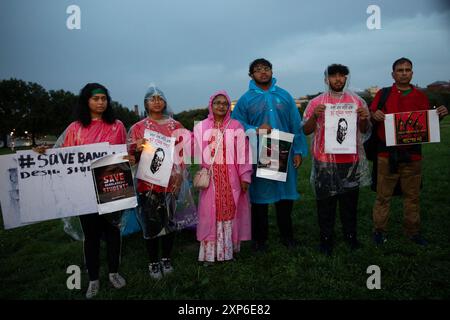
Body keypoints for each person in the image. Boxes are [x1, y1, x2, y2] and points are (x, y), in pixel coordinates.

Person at [52, 83, 127, 298]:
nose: (101, 102)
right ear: (87, 101)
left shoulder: (117, 126)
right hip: (84, 191)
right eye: (96, 99)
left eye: (104, 98)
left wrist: (133, 153)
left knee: (113, 232)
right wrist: (43, 153)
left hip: (112, 188)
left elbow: (124, 153)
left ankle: (113, 272)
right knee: (91, 235)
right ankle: (93, 279)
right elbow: (62, 157)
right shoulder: (75, 128)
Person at [232, 58, 308, 251]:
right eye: (258, 70)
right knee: (260, 198)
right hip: (260, 151)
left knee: (285, 197)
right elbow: (236, 124)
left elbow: (295, 124)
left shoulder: (284, 96)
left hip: (283, 149)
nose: (263, 72)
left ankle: (287, 236)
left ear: (272, 71)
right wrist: (255, 128)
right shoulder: (245, 99)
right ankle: (260, 239)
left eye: (266, 68)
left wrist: (298, 150)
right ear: (251, 75)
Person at [370, 57, 448, 246]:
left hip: (413, 155)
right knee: (383, 196)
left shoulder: (420, 96)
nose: (404, 73)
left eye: (407, 70)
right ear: (393, 74)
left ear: (412, 73)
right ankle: (379, 231)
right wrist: (375, 115)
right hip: (387, 154)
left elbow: (425, 125)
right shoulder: (383, 93)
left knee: (412, 196)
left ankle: (413, 231)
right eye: (400, 70)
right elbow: (371, 116)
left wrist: (439, 116)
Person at [303, 64, 371, 255]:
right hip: (323, 161)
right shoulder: (316, 102)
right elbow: (306, 130)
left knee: (350, 204)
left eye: (342, 76)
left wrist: (365, 118)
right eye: (333, 76)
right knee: (325, 203)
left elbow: (365, 131)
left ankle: (351, 237)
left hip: (350, 160)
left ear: (346, 78)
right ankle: (326, 239)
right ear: (326, 79)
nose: (338, 79)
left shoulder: (357, 101)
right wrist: (314, 117)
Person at [128, 86, 189, 279]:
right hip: (147, 183)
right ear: (146, 103)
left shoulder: (175, 125)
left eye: (160, 98)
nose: (156, 101)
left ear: (165, 102)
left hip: (170, 183)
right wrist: (135, 148)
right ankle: (153, 262)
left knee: (169, 222)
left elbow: (183, 154)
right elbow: (129, 158)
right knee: (150, 224)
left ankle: (166, 258)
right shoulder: (138, 128)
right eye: (152, 99)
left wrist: (180, 176)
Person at [194, 90, 252, 264]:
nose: (221, 106)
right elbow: (194, 150)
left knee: (229, 212)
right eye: (217, 102)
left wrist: (245, 176)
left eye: (225, 103)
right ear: (211, 105)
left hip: (230, 179)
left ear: (229, 107)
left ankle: (227, 253)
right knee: (210, 214)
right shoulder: (201, 126)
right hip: (211, 179)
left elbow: (244, 153)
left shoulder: (236, 126)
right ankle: (209, 255)